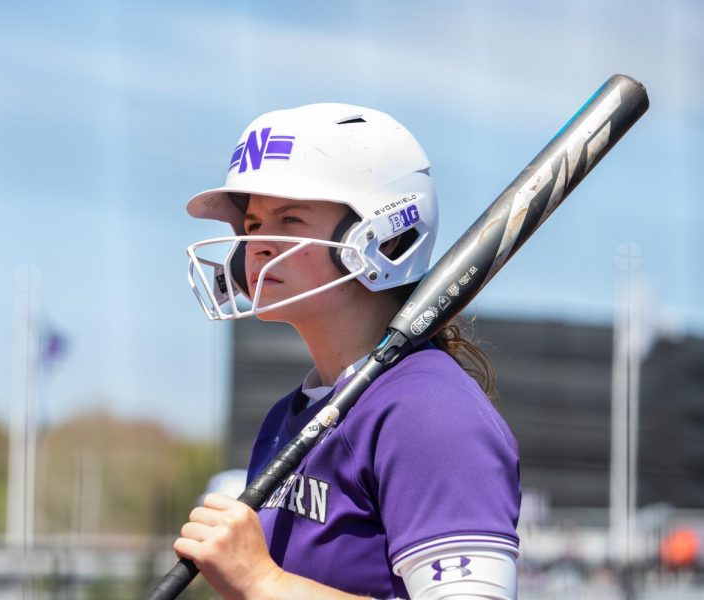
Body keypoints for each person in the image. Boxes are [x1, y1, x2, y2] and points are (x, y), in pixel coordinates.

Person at [177, 104, 521, 599]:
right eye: (253, 225)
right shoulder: (286, 417)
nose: (259, 246)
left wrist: (262, 581)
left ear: (385, 234)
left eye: (290, 218)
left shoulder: (430, 412)